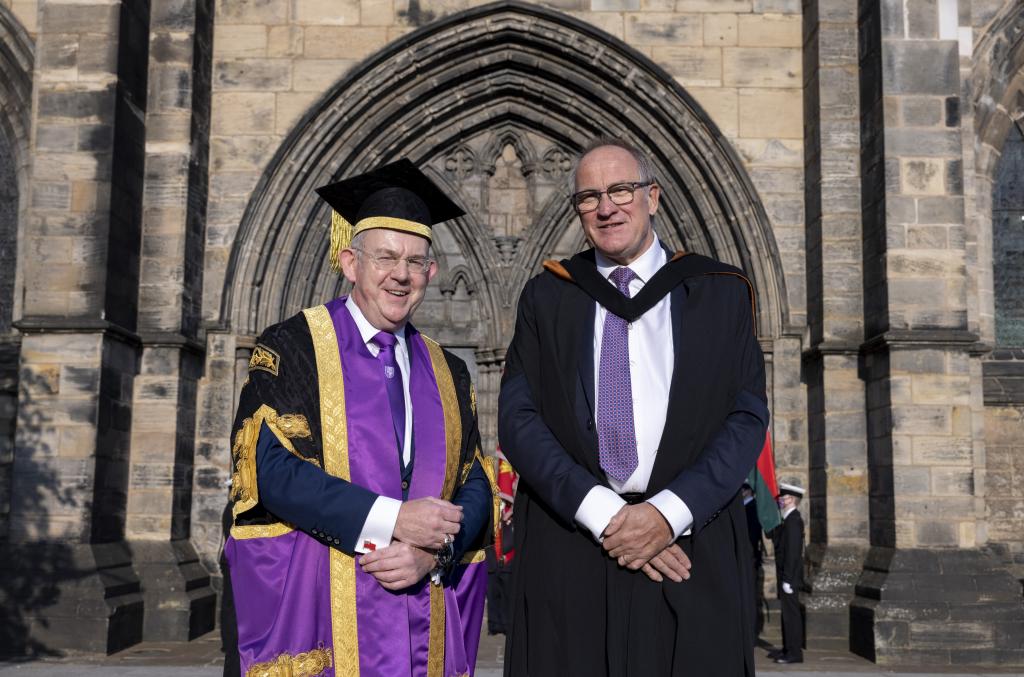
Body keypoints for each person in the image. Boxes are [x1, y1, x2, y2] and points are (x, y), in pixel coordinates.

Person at [498, 137, 770, 676]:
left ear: (653, 197)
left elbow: (746, 418)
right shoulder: (547, 298)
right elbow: (518, 418)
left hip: (689, 548)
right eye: (589, 197)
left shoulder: (720, 293)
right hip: (576, 544)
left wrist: (667, 514)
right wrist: (608, 515)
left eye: (621, 189)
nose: (606, 207)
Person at [224, 159, 494, 677]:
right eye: (386, 257)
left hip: (423, 615)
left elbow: (475, 480)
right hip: (328, 611)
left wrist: (434, 552)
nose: (402, 275)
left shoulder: (449, 370)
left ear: (431, 274)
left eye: (416, 262)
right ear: (350, 263)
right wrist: (393, 521)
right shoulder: (293, 347)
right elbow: (270, 471)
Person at [770, 482, 805, 665]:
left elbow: (793, 552)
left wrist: (788, 579)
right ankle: (787, 649)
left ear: (792, 499)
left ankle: (794, 653)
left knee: (791, 615)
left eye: (783, 498)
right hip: (786, 575)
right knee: (787, 614)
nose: (781, 501)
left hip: (789, 577)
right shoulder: (787, 520)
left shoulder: (793, 521)